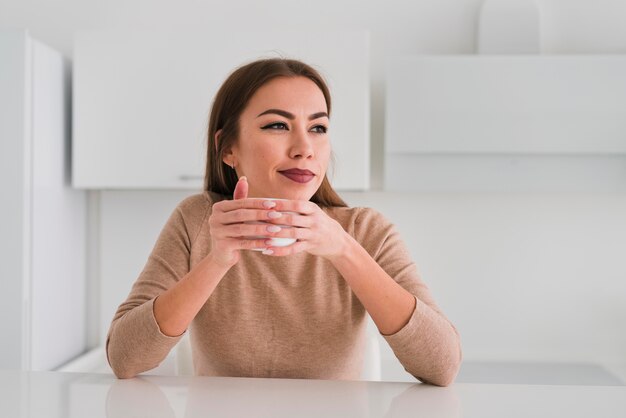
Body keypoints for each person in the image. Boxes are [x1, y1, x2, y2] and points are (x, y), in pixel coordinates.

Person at [106, 58, 462, 386]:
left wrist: (343, 250)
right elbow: (124, 359)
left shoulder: (366, 231)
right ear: (228, 147)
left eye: (318, 127)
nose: (304, 147)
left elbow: (443, 367)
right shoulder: (197, 220)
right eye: (278, 125)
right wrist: (217, 261)